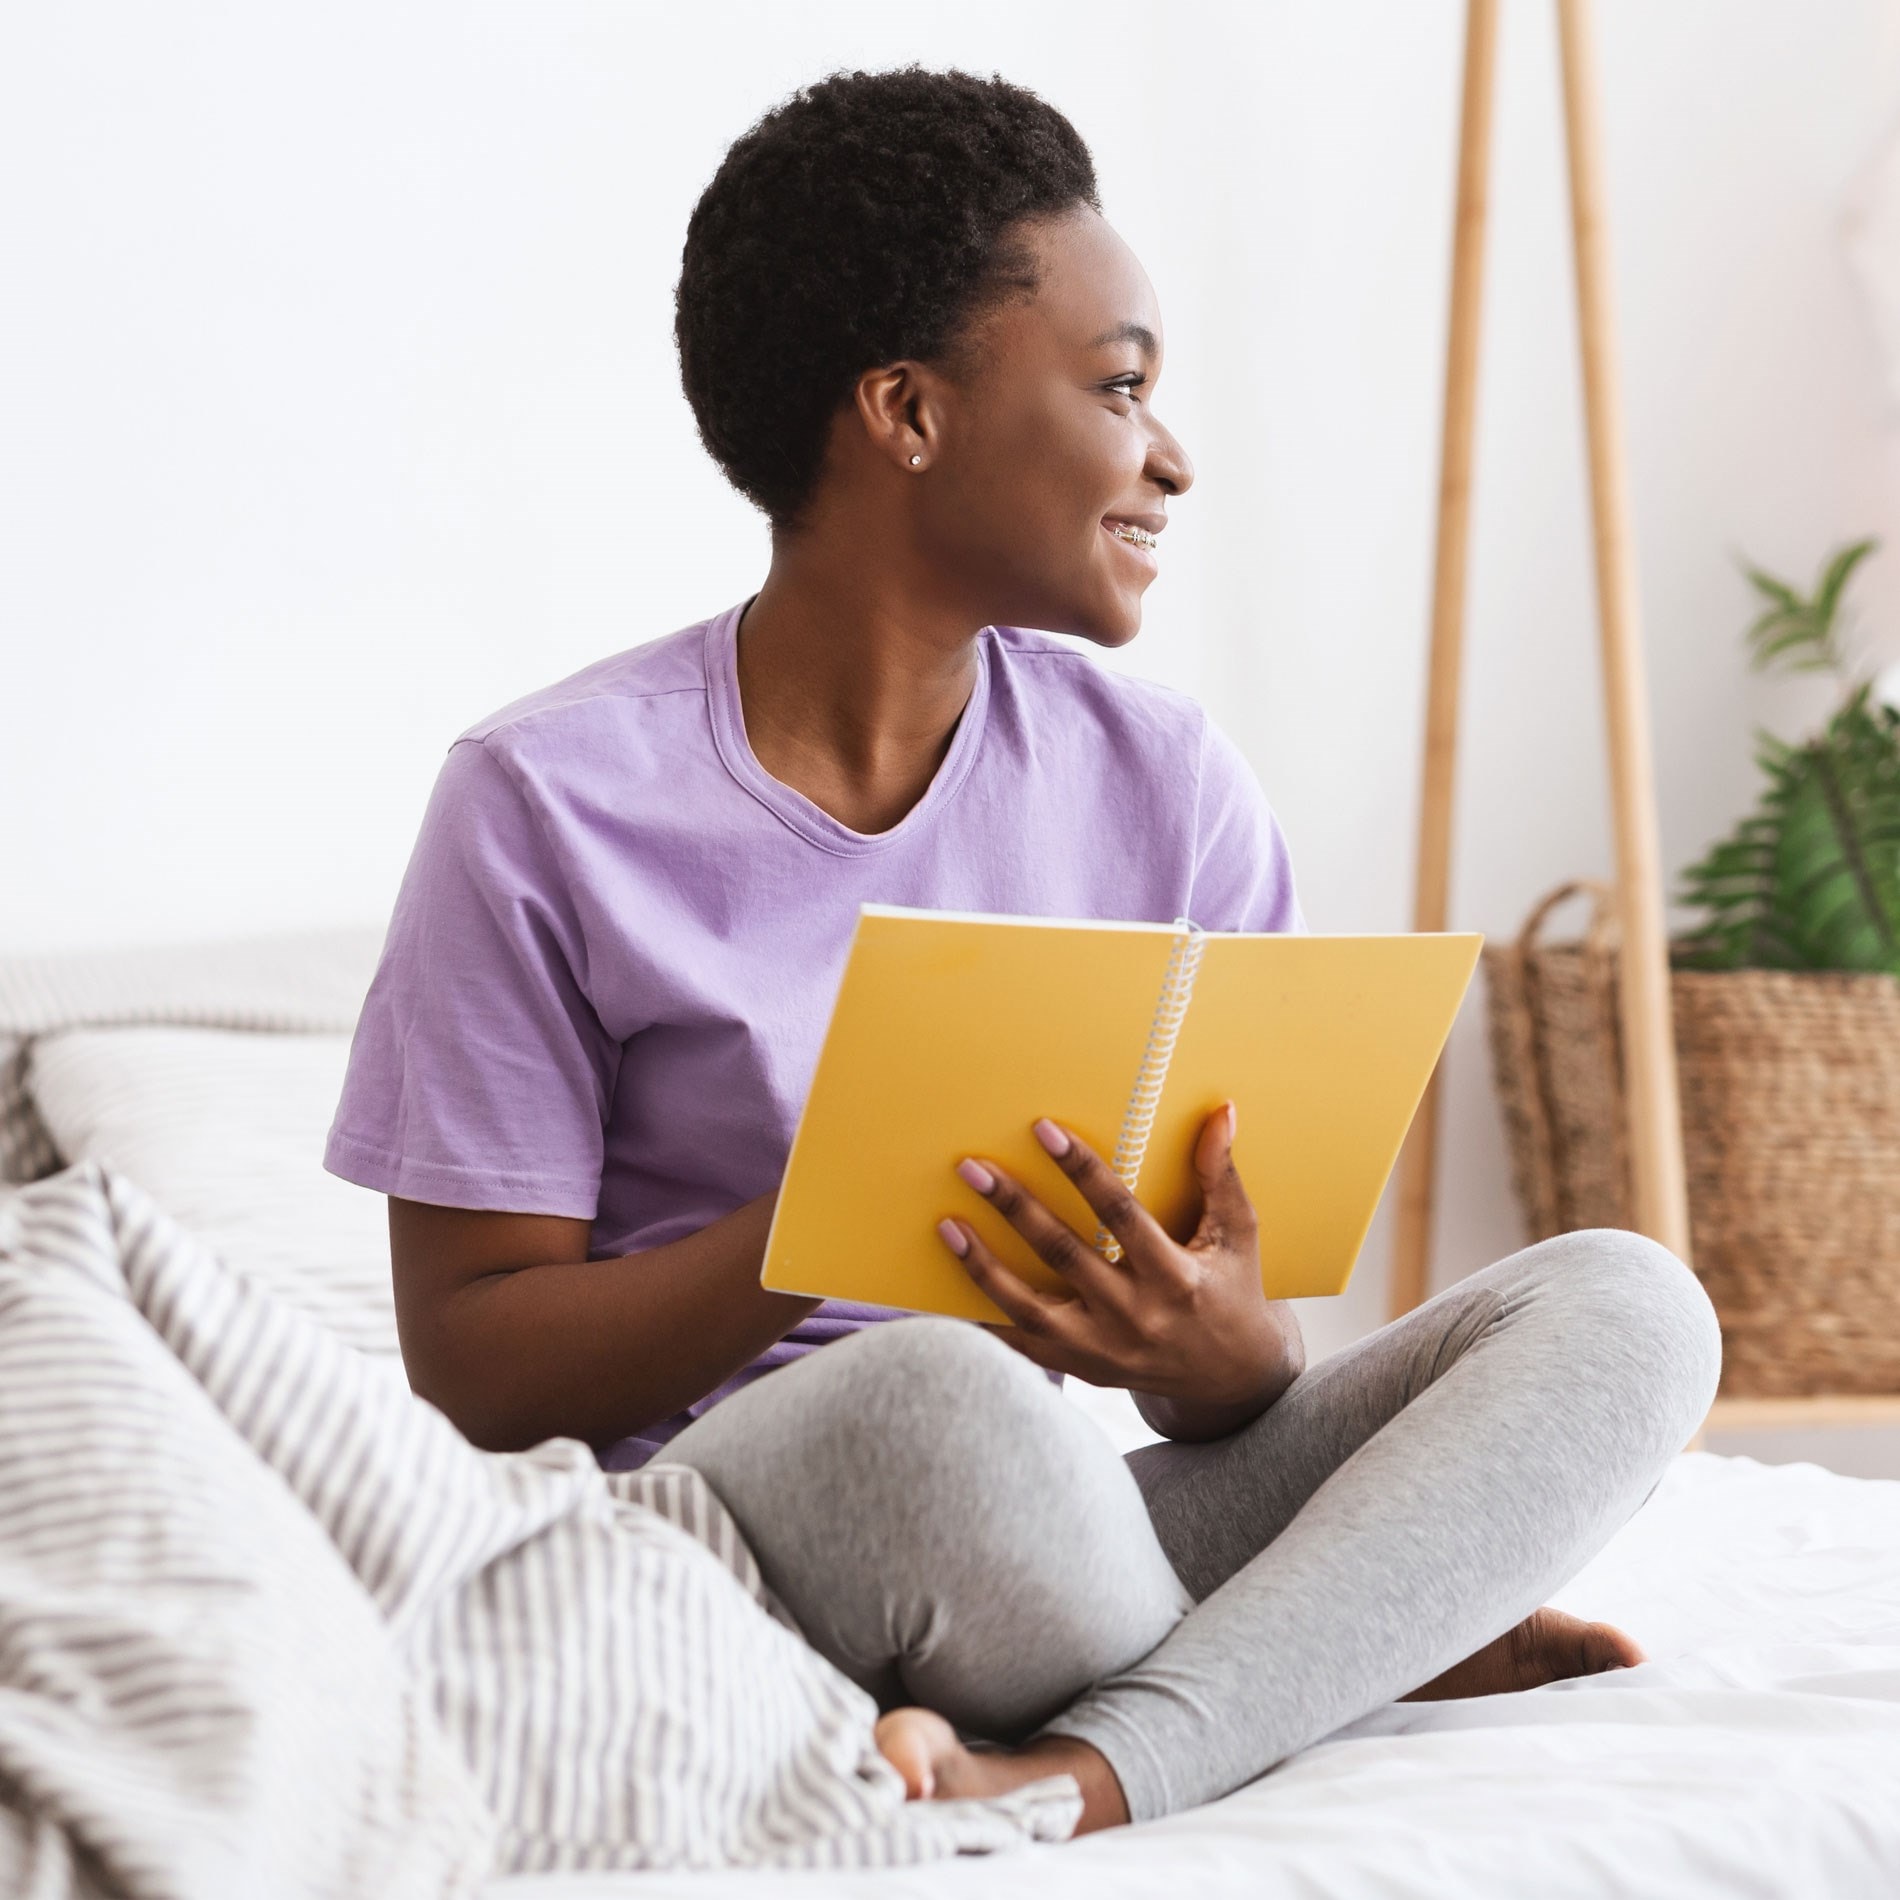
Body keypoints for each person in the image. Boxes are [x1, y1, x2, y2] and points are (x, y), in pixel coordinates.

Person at [325, 67, 1721, 1833]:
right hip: (745, 1516)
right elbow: (472, 1364)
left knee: (1623, 1303)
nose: (1173, 454)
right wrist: (841, 1219)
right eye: (1120, 386)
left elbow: (1246, 1353)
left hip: (1068, 1518)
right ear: (906, 412)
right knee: (937, 1392)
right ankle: (1336, 1645)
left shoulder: (1168, 781)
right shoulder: (541, 801)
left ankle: (1088, 1756)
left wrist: (1221, 1362)